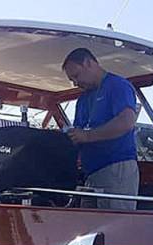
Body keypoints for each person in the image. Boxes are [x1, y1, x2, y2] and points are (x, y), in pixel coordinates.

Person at [62, 48, 140, 209]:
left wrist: (87, 136)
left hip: (115, 168)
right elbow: (79, 132)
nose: (75, 83)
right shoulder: (82, 100)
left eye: (76, 76)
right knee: (88, 226)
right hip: (90, 174)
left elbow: (126, 121)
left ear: (88, 63)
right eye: (71, 80)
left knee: (114, 227)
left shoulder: (118, 85)